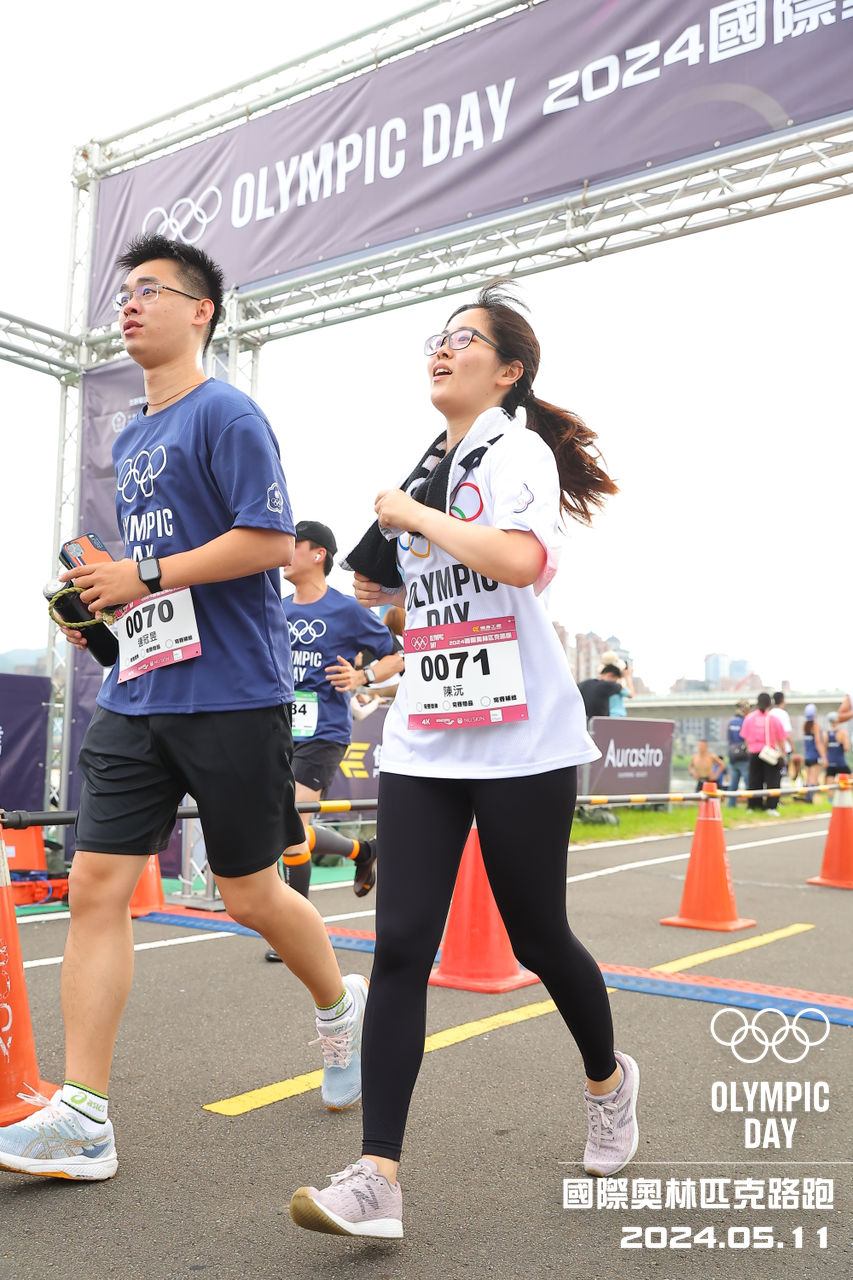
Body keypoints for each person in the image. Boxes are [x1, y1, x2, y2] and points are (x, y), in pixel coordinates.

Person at [0, 235, 367, 1182]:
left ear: (200, 311)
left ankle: (339, 1007)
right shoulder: (131, 436)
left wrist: (146, 573)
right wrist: (109, 610)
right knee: (96, 886)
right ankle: (84, 1118)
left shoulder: (227, 412)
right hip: (139, 693)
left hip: (234, 695)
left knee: (251, 893)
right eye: (124, 291)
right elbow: (155, 578)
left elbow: (267, 542)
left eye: (151, 290)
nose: (128, 304)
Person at [289, 283, 638, 1239]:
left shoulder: (515, 450)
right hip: (427, 734)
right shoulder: (426, 463)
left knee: (537, 938)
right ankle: (377, 1178)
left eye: (465, 339)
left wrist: (415, 513)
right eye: (436, 339)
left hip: (521, 737)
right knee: (402, 945)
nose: (442, 350)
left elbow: (519, 562)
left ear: (508, 370)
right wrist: (391, 605)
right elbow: (406, 594)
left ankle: (607, 1083)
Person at [263, 520, 400, 961]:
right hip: (279, 730)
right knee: (289, 826)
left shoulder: (345, 610)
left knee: (292, 825)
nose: (286, 553)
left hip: (324, 732)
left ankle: (295, 934)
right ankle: (363, 852)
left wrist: (363, 676)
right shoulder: (276, 608)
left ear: (318, 553)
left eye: (295, 544)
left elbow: (398, 654)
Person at [740, 692, 788, 813]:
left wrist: (750, 749)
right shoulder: (773, 719)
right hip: (769, 753)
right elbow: (781, 738)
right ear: (770, 704)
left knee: (754, 781)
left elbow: (745, 737)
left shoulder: (749, 718)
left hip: (754, 753)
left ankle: (753, 806)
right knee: (772, 781)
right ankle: (771, 807)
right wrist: (783, 752)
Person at [725, 699, 751, 808]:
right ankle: (751, 805)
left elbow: (729, 739)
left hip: (733, 756)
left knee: (733, 784)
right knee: (748, 783)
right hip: (744, 757)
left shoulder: (731, 722)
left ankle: (731, 805)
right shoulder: (746, 722)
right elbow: (748, 739)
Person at [801, 702, 825, 801]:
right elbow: (818, 742)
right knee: (813, 779)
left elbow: (805, 743)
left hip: (807, 756)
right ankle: (810, 799)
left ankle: (807, 797)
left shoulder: (805, 725)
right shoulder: (816, 726)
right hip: (815, 756)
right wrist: (824, 757)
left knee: (808, 778)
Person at [824, 711, 851, 779]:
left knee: (830, 784)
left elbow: (824, 749)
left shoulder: (826, 734)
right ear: (837, 720)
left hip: (830, 763)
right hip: (841, 763)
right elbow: (846, 748)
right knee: (850, 781)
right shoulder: (842, 733)